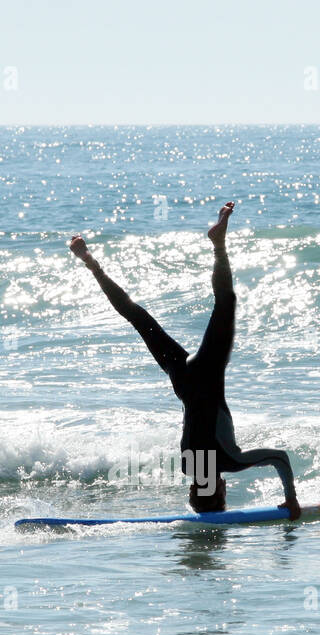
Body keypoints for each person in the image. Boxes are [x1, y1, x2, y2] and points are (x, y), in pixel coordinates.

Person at [70, 202, 301, 518]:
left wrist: (291, 499)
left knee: (225, 302)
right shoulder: (186, 464)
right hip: (183, 379)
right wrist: (204, 497)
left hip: (205, 376)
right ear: (195, 489)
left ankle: (219, 246)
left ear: (221, 490)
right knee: (136, 316)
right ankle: (90, 263)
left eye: (222, 492)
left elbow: (280, 458)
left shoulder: (229, 462)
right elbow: (204, 462)